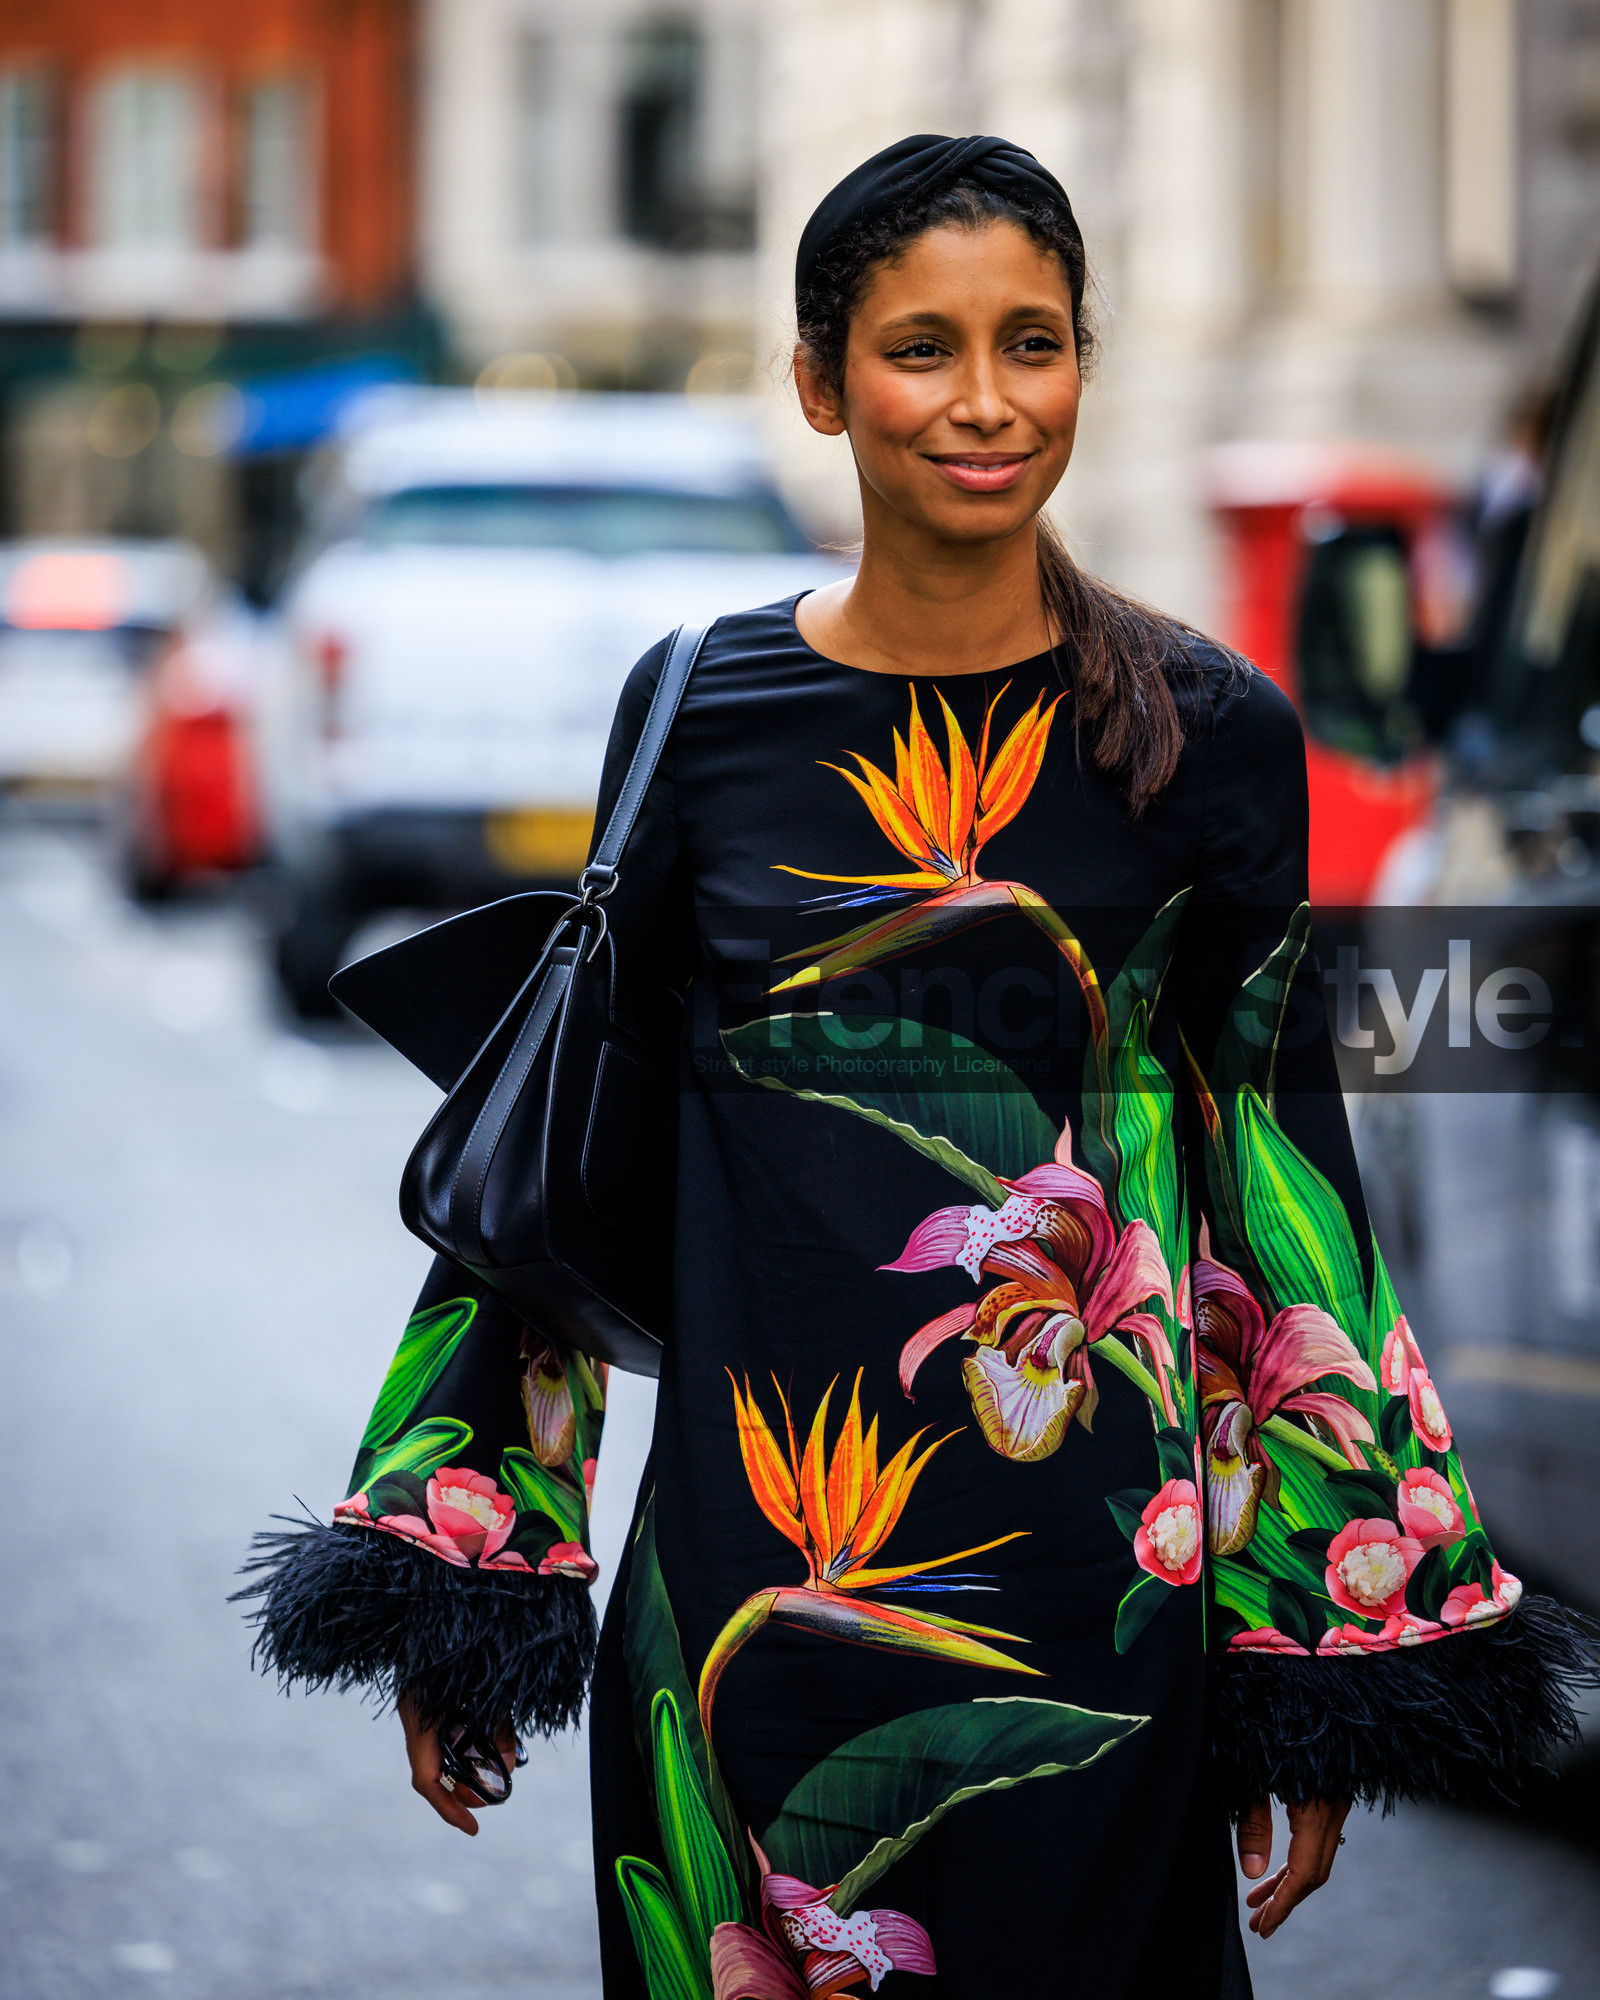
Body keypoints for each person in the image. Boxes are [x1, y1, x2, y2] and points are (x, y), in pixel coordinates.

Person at [242, 136, 1595, 2000]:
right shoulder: (699, 707)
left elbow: (1278, 1197)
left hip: (1103, 1623)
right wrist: (469, 1571)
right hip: (742, 1615)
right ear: (819, 383)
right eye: (921, 348)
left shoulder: (1207, 740)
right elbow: (559, 1147)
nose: (985, 403)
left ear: (1083, 365)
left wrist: (1315, 1650)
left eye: (1031, 343)